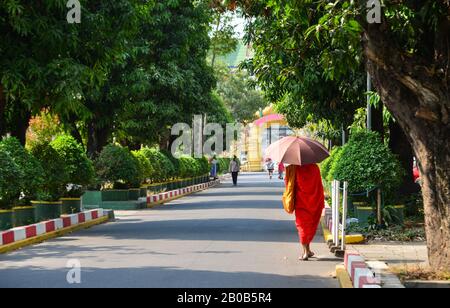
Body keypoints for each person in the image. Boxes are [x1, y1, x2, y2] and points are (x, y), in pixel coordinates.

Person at [285, 164, 325, 261]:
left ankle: (306, 252)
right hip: (314, 201)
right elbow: (319, 185)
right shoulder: (315, 167)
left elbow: (288, 184)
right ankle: (307, 251)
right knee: (310, 225)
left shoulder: (294, 168)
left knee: (302, 226)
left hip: (301, 202)